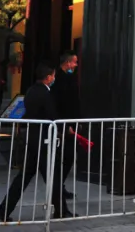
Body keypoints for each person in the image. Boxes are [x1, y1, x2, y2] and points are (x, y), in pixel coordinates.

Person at [0, 62, 73, 222]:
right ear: (48, 77)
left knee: (26, 177)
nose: (54, 78)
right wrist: (65, 129)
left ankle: (4, 209)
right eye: (53, 76)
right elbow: (52, 115)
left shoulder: (30, 91)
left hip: (33, 139)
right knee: (52, 176)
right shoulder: (45, 93)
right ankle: (61, 211)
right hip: (43, 140)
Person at [53, 51, 81, 201]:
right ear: (68, 63)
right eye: (74, 62)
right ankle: (57, 188)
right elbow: (63, 104)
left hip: (70, 122)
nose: (76, 65)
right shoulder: (59, 79)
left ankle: (59, 187)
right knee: (65, 157)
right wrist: (66, 125)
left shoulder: (70, 78)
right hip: (64, 124)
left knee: (68, 157)